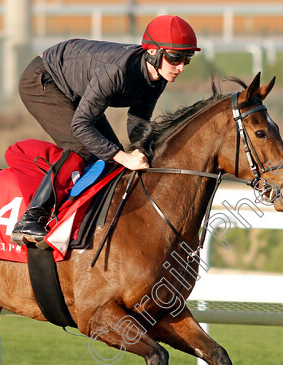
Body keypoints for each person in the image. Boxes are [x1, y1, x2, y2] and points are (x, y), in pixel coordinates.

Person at [11, 15, 200, 246]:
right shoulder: (117, 71)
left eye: (187, 59)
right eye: (175, 57)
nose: (181, 67)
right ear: (153, 52)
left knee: (112, 159)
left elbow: (138, 120)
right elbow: (80, 126)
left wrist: (147, 151)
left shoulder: (158, 77)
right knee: (83, 147)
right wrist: (123, 157)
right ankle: (31, 218)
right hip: (43, 80)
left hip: (76, 84)